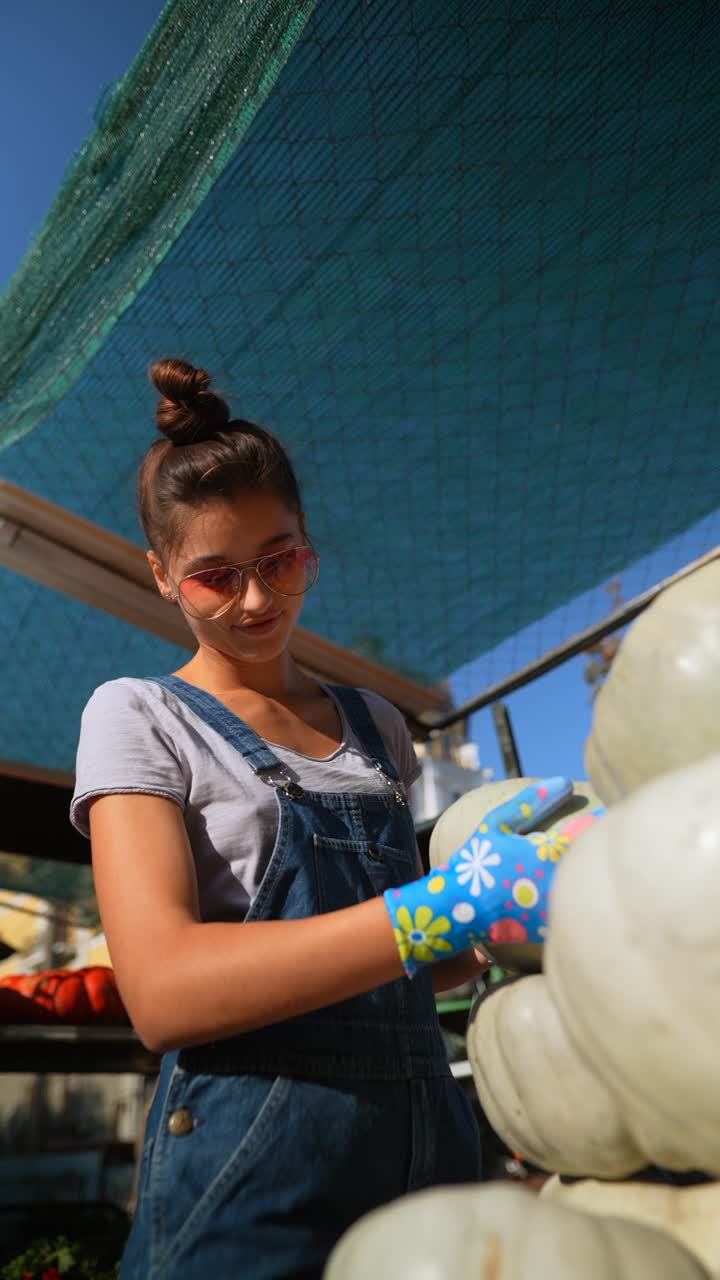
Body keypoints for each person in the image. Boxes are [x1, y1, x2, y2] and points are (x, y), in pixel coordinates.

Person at [71, 357, 578, 1279]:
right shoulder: (140, 715)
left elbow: (392, 974)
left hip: (428, 1158)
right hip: (253, 1178)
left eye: (279, 559)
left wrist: (515, 913)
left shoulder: (380, 726)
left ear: (310, 542)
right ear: (160, 576)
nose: (258, 599)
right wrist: (441, 910)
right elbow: (163, 992)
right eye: (215, 576)